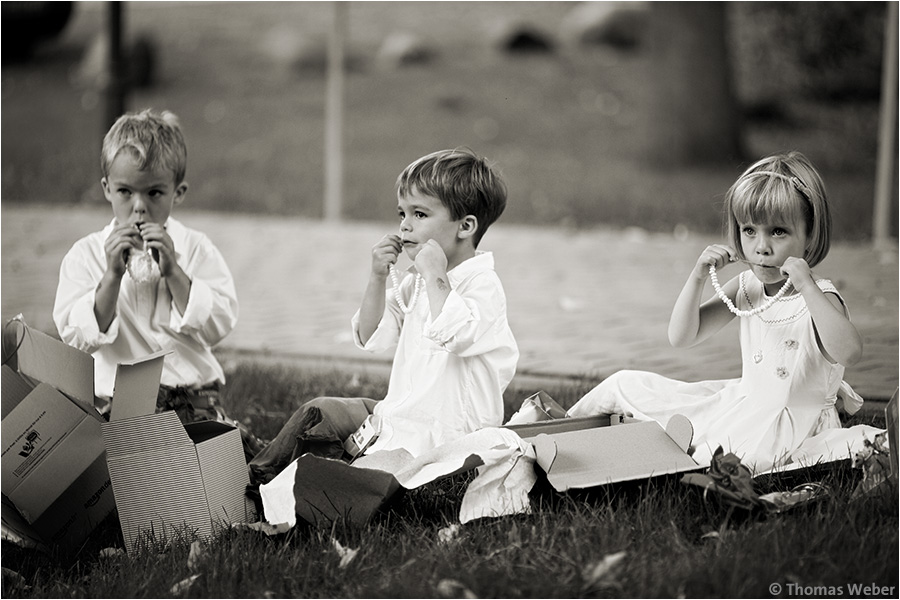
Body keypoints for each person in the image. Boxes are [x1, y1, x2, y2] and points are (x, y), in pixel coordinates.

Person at [567, 151, 881, 474]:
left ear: (810, 235)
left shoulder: (821, 296)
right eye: (749, 231)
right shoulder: (747, 286)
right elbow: (682, 336)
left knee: (719, 458)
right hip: (744, 403)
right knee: (624, 384)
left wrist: (808, 288)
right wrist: (698, 276)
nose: (762, 247)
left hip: (793, 421)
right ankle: (558, 432)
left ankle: (636, 454)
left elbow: (850, 352)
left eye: (778, 232)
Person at [249, 148, 519, 484]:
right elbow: (371, 335)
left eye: (419, 215)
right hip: (398, 417)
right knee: (320, 410)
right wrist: (377, 277)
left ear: (465, 226)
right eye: (402, 214)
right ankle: (260, 471)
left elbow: (457, 333)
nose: (405, 225)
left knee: (364, 480)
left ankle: (298, 480)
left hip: (446, 439)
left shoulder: (483, 285)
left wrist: (436, 273)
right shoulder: (417, 282)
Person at [53, 108, 265, 460]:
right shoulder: (86, 255)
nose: (138, 208)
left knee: (238, 461)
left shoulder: (195, 248)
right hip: (117, 405)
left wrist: (175, 272)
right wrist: (111, 276)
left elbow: (219, 324)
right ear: (107, 189)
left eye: (153, 194)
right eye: (125, 192)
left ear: (177, 193)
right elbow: (75, 338)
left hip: (192, 397)